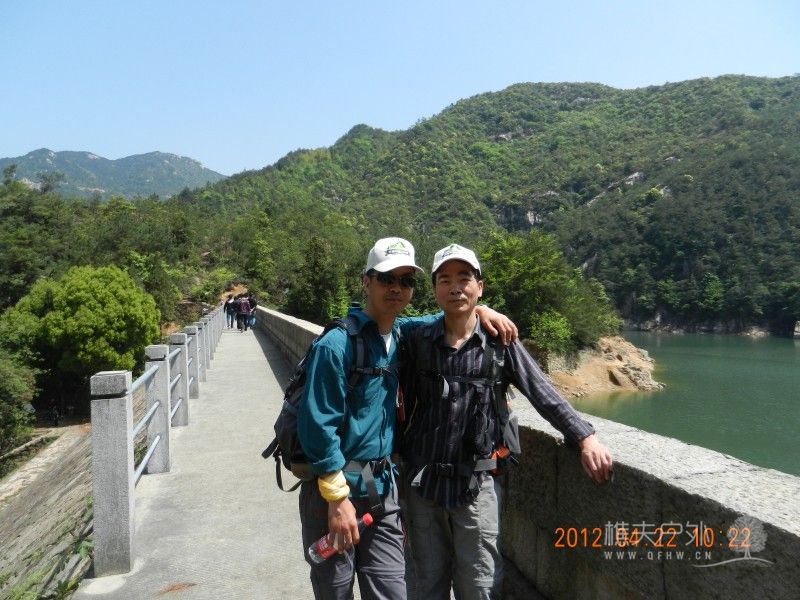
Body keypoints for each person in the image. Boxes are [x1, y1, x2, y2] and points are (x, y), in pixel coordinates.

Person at [296, 238, 517, 600]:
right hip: (333, 491)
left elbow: (448, 315)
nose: (396, 288)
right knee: (335, 590)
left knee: (392, 590)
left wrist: (481, 308)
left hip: (381, 490)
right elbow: (317, 426)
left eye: (406, 280)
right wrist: (336, 500)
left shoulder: (402, 334)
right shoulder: (336, 345)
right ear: (366, 282)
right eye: (387, 279)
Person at [400, 244, 613, 600]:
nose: (455, 287)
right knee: (424, 586)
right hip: (423, 486)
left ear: (480, 286)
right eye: (445, 280)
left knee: (479, 587)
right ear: (434, 289)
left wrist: (585, 438)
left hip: (476, 486)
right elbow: (377, 321)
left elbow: (542, 392)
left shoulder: (500, 343)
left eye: (464, 278)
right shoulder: (417, 339)